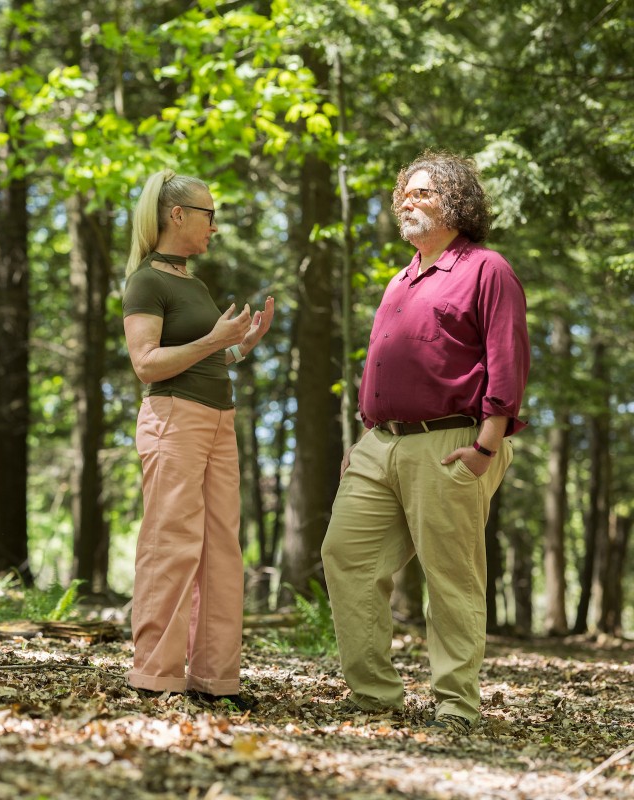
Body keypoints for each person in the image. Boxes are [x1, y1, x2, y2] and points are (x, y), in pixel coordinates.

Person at [321, 151, 530, 735]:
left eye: (423, 192)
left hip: (454, 441)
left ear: (457, 202)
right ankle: (375, 697)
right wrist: (366, 437)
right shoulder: (403, 276)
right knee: (346, 556)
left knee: (450, 577)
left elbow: (506, 362)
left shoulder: (487, 269)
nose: (407, 201)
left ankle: (457, 705)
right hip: (380, 444)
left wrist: (487, 444)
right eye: (404, 194)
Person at [122, 169, 275, 708]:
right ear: (177, 215)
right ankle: (154, 675)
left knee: (221, 551)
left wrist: (239, 346)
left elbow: (206, 356)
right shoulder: (146, 281)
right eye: (208, 214)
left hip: (217, 419)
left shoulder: (195, 283)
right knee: (171, 542)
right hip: (173, 419)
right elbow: (146, 364)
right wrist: (215, 337)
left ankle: (215, 681)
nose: (215, 225)